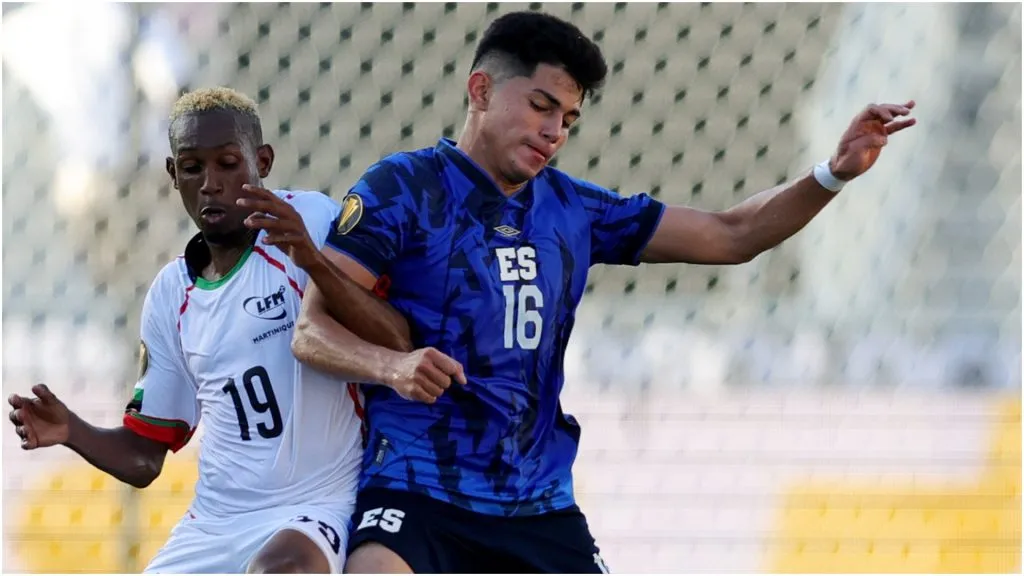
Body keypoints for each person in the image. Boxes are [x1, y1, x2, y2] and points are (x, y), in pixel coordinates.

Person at [290, 11, 918, 574]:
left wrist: (832, 174)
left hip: (536, 502)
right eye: (540, 105)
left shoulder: (572, 207)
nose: (554, 131)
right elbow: (312, 329)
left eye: (567, 119)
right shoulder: (403, 186)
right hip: (416, 488)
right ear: (480, 89)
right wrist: (392, 365)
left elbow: (734, 234)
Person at [7, 87, 413, 574]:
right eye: (193, 168)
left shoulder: (307, 221)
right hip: (216, 521)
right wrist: (72, 429)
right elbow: (145, 456)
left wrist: (310, 258)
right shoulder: (169, 295)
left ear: (261, 160)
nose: (211, 184)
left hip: (317, 504)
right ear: (173, 174)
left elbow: (394, 337)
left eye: (227, 163)